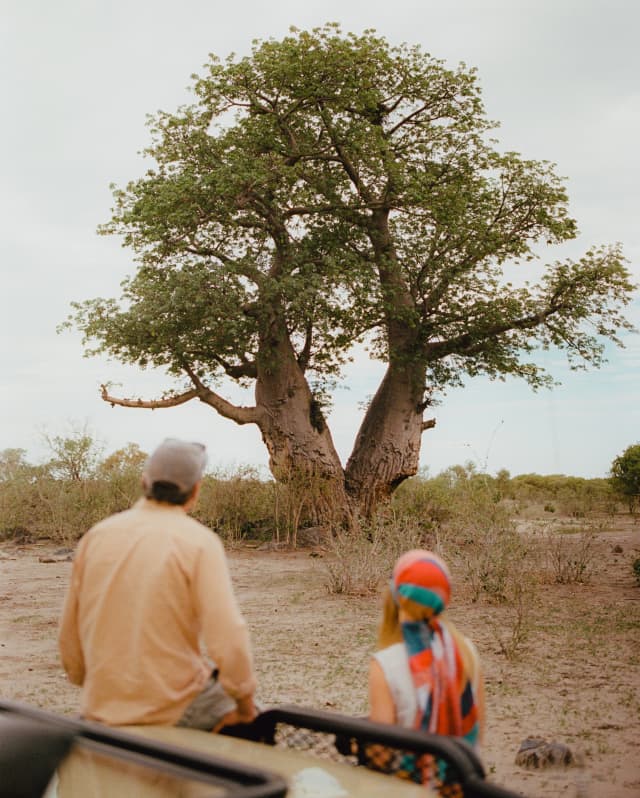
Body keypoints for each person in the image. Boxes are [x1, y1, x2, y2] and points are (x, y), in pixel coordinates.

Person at [58, 438, 257, 732]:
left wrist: (91, 684)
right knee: (259, 731)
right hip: (172, 708)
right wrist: (244, 705)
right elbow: (228, 636)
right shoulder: (199, 542)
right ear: (196, 490)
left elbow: (69, 633)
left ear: (144, 481)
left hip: (99, 707)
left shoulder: (97, 536)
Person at [367, 549, 485, 790]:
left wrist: (359, 743)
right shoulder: (466, 652)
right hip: (460, 785)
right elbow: (476, 730)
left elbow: (380, 756)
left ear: (396, 595)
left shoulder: (385, 664)